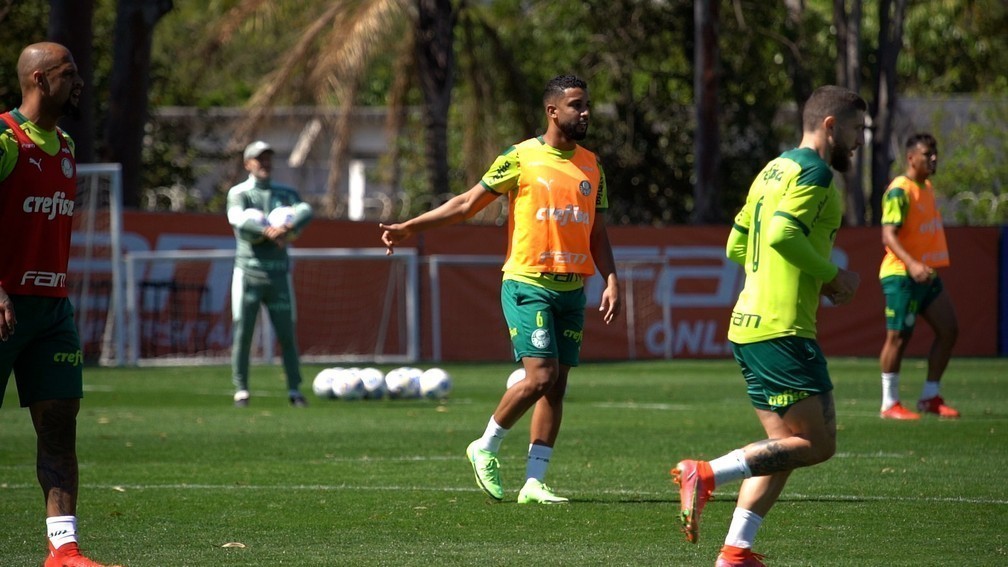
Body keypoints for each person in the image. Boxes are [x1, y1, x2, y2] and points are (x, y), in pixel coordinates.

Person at [380, 74, 621, 504]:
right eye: (577, 105)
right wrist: (410, 226)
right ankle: (485, 446)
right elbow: (465, 204)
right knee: (540, 376)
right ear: (553, 111)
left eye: (587, 105)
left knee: (556, 386)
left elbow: (597, 233)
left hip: (572, 289)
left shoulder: (592, 164)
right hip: (528, 282)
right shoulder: (520, 158)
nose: (585, 113)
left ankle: (534, 482)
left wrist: (612, 279)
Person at [670, 85, 865, 567]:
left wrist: (809, 277)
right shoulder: (815, 172)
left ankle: (735, 551)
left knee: (784, 448)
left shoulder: (772, 169)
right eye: (857, 130)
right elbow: (780, 235)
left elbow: (738, 247)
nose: (860, 141)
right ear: (831, 126)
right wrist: (831, 273)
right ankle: (707, 473)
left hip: (748, 324)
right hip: (782, 329)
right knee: (817, 444)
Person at [0, 42, 122, 567]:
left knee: (59, 423)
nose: (80, 83)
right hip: (3, 307)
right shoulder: (4, 138)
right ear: (39, 79)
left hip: (52, 309)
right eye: (70, 74)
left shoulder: (67, 145)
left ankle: (63, 550)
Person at [877, 133, 959, 420]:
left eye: (935, 152)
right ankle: (889, 404)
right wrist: (911, 264)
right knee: (898, 337)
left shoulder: (927, 187)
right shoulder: (900, 189)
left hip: (926, 275)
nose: (933, 158)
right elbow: (888, 234)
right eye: (927, 153)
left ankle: (929, 396)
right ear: (911, 157)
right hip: (902, 273)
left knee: (949, 329)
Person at [226, 140, 313, 408]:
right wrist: (266, 231)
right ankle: (241, 389)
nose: (265, 163)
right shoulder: (239, 193)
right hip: (248, 273)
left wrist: (287, 226)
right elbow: (237, 218)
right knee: (243, 332)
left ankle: (295, 390)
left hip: (279, 276)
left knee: (287, 334)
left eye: (268, 158)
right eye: (258, 158)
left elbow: (306, 210)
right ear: (247, 163)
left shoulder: (285, 193)